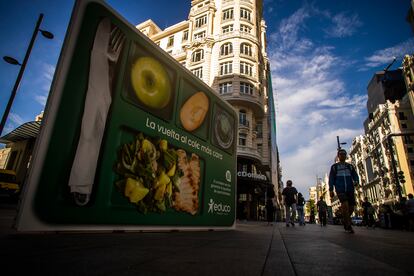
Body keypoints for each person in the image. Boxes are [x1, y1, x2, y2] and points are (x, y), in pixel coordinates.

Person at [329, 149, 359, 234]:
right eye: (341, 154)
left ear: (346, 156)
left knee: (351, 208)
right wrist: (331, 189)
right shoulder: (334, 167)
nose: (342, 155)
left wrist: (356, 181)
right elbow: (331, 179)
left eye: (344, 154)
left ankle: (344, 218)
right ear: (338, 156)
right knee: (345, 205)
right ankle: (348, 226)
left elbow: (355, 176)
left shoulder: (350, 166)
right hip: (340, 189)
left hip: (350, 189)